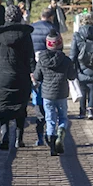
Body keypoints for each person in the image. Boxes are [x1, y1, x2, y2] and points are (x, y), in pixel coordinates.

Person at [0, 5, 36, 150]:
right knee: (20, 105)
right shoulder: (25, 35)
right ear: (19, 17)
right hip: (21, 75)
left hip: (3, 75)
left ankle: (4, 134)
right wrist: (34, 74)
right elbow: (31, 59)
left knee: (3, 105)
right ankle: (19, 138)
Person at [33, 30, 77, 156]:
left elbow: (37, 76)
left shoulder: (42, 59)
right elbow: (72, 76)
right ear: (60, 43)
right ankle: (61, 130)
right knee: (63, 117)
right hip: (62, 93)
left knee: (50, 118)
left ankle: (52, 146)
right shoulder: (66, 60)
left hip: (47, 94)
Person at [30, 8, 56, 145]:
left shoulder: (32, 28)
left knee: (38, 100)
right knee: (49, 103)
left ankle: (39, 136)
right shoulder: (52, 29)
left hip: (34, 69)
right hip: (48, 70)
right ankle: (49, 132)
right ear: (51, 17)